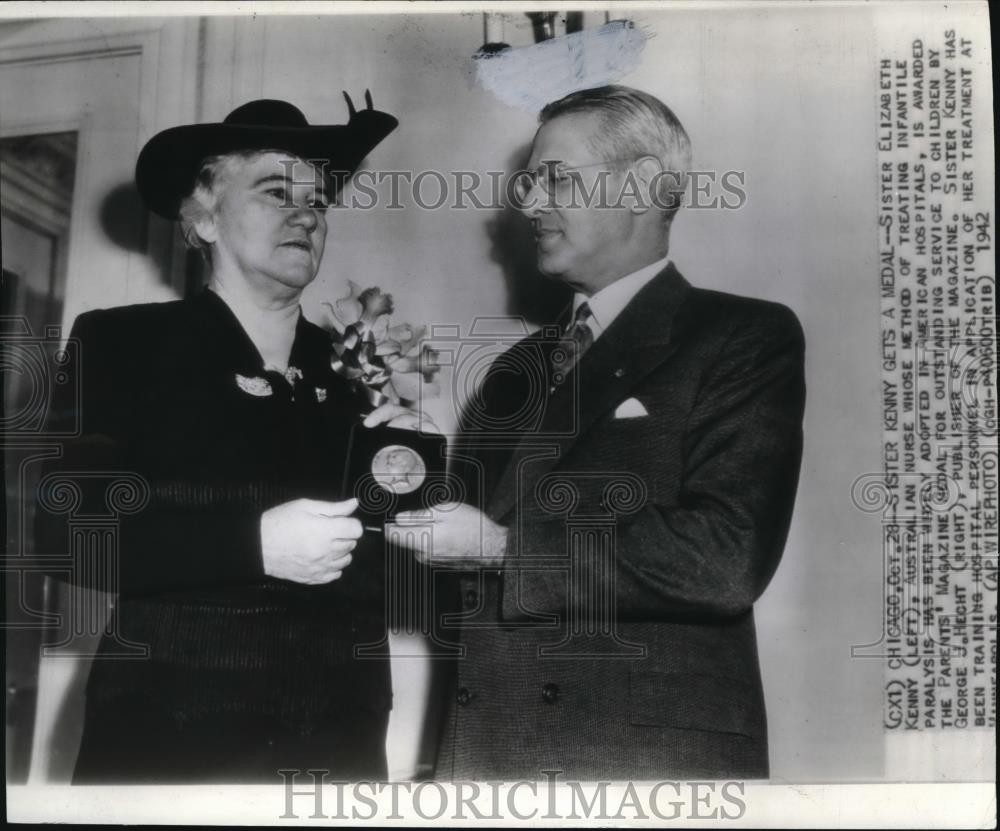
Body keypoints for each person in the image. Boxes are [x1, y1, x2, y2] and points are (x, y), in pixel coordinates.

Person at [395, 85, 806, 780]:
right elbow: (461, 578)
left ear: (644, 184)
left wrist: (497, 546)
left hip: (641, 764)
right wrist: (402, 466)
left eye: (556, 177)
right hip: (488, 756)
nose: (529, 202)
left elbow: (724, 559)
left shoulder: (742, 336)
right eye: (530, 180)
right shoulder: (514, 371)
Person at [35, 96, 423, 783]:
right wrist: (253, 545)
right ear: (204, 216)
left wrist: (408, 480)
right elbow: (63, 530)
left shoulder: (356, 372)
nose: (307, 213)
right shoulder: (123, 342)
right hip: (172, 741)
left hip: (335, 743)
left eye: (319, 201)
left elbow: (382, 575)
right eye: (277, 191)